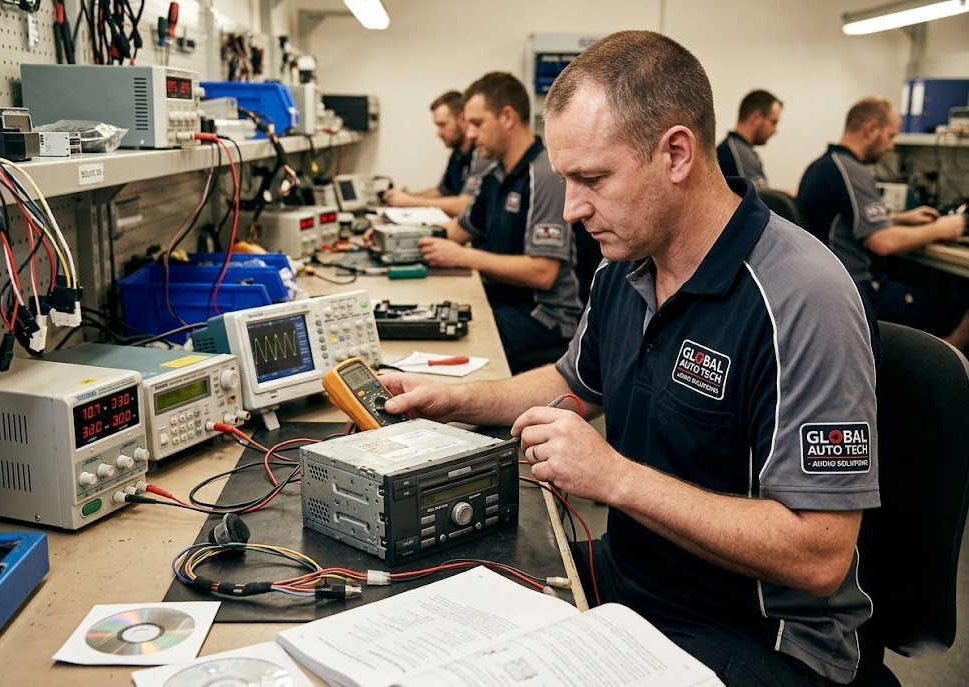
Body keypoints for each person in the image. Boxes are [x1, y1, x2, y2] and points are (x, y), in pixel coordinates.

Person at [380, 31, 879, 686]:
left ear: (676, 153)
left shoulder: (801, 297)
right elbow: (571, 384)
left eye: (592, 178)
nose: (574, 208)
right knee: (435, 602)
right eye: (566, 180)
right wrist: (449, 397)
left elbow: (819, 553)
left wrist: (614, 476)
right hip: (636, 580)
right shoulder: (626, 264)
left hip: (754, 635)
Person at [418, 72, 583, 361]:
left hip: (544, 318)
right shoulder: (494, 174)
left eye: (477, 124)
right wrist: (393, 240)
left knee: (449, 349)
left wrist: (463, 257)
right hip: (500, 300)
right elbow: (460, 230)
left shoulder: (544, 175)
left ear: (507, 117)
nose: (470, 134)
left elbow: (543, 272)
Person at [798, 97, 969, 351]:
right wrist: (945, 228)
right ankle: (944, 366)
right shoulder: (851, 169)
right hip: (861, 295)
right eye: (890, 136)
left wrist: (901, 218)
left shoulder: (824, 165)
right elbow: (883, 243)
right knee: (957, 308)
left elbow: (845, 219)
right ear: (871, 130)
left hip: (829, 291)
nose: (891, 147)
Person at [382, 90, 489, 217]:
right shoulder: (457, 154)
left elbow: (466, 204)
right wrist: (405, 196)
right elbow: (442, 191)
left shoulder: (482, 152)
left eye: (442, 125)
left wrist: (410, 201)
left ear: (462, 118)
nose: (438, 132)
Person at [716, 90, 781, 190]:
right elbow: (762, 199)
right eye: (773, 122)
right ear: (756, 118)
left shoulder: (737, 149)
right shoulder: (739, 153)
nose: (775, 130)